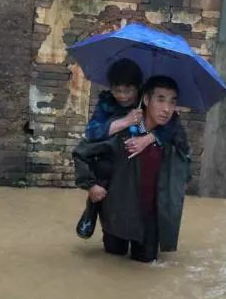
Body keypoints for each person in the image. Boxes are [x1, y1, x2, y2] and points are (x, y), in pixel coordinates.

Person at [73, 76, 190, 263]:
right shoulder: (124, 130)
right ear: (146, 100)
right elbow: (81, 153)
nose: (167, 108)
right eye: (160, 99)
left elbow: (186, 160)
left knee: (146, 261)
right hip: (117, 213)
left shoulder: (173, 135)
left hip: (151, 217)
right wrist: (91, 185)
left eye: (172, 101)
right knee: (113, 260)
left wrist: (182, 183)